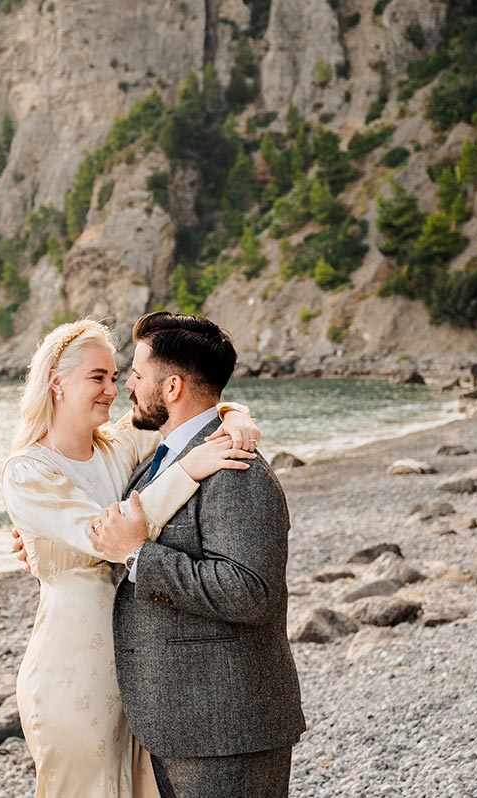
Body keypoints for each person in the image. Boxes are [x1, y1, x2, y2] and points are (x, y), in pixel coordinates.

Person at [1, 317, 262, 798]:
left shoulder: (120, 446)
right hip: (73, 667)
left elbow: (189, 405)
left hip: (141, 665)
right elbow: (107, 535)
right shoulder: (27, 471)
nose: (112, 389)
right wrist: (188, 470)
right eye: (97, 377)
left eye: (116, 377)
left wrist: (235, 415)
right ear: (56, 382)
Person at [85, 311, 306, 797]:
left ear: (172, 388)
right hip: (178, 721)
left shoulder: (235, 469)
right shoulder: (160, 457)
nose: (129, 387)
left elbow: (251, 593)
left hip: (227, 729)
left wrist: (140, 556)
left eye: (138, 376)